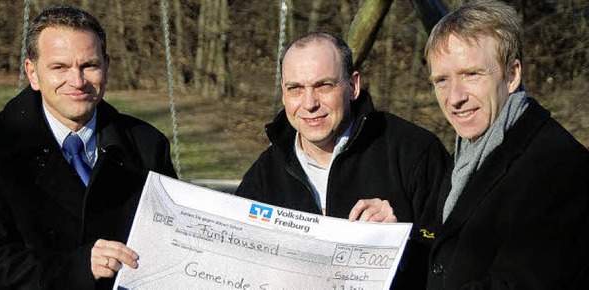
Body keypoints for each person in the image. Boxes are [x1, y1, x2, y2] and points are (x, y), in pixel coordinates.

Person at [0, 5, 177, 290]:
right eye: (60, 67)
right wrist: (78, 268)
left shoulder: (146, 145)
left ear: (107, 65)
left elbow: (172, 246)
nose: (78, 81)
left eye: (89, 65)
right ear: (32, 73)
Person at [235, 32, 449, 289]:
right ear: (283, 92)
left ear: (353, 86)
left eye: (323, 86)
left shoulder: (414, 152)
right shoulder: (263, 177)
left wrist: (400, 241)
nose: (309, 103)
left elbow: (457, 259)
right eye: (295, 88)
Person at [424, 0, 589, 288]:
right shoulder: (469, 151)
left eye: (471, 74)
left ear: (512, 75)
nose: (454, 97)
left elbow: (521, 283)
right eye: (441, 80)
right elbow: (447, 253)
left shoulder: (559, 166)